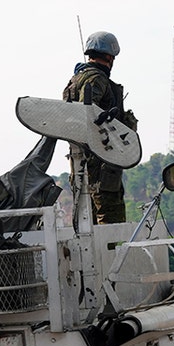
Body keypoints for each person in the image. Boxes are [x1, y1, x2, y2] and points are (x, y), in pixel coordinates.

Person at [62, 30, 138, 224]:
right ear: (109, 56)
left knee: (88, 220)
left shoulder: (75, 79)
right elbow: (87, 114)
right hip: (102, 159)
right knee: (110, 220)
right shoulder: (97, 79)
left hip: (81, 161)